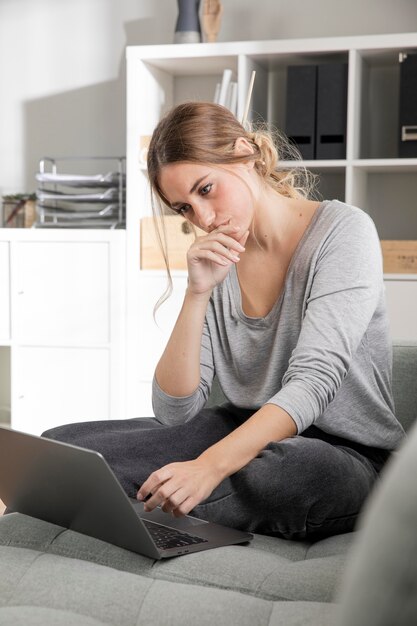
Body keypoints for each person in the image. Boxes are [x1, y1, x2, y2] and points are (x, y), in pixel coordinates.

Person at [42, 101, 405, 540]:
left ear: (244, 153)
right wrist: (198, 292)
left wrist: (208, 466)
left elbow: (314, 382)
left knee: (287, 473)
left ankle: (112, 507)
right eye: (184, 209)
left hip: (345, 457)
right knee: (62, 447)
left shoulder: (344, 231)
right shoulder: (219, 259)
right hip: (242, 429)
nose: (204, 218)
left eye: (206, 189)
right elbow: (175, 412)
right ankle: (127, 504)